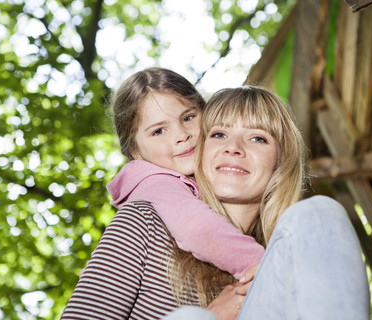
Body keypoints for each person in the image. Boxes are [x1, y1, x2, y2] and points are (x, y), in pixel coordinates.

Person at [60, 68, 258, 320]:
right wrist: (267, 265)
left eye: (188, 118)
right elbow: (198, 228)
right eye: (158, 131)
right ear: (135, 151)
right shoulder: (152, 191)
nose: (181, 135)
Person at [164, 86, 370, 319]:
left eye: (258, 138)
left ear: (281, 163)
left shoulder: (289, 250)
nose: (233, 148)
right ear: (199, 150)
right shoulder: (148, 222)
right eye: (219, 134)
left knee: (321, 211)